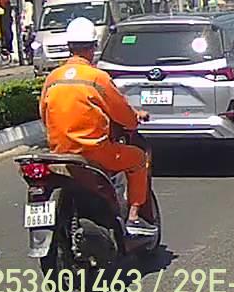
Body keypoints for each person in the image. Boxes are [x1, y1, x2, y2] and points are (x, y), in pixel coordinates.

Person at [39, 18, 155, 233]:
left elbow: (43, 115)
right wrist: (135, 118)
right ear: (93, 48)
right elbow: (124, 115)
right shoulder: (97, 78)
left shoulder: (53, 77)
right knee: (139, 159)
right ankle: (134, 217)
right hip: (95, 153)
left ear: (69, 47)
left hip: (59, 153)